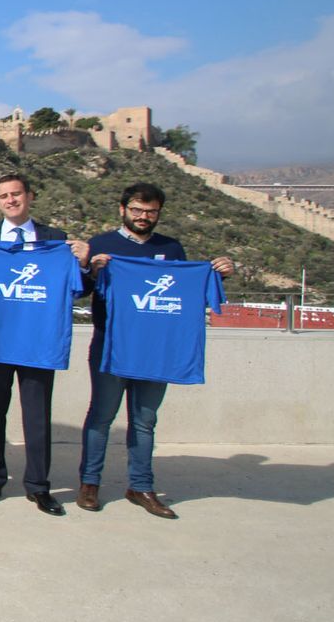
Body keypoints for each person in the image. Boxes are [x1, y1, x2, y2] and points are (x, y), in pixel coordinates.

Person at [77, 182, 234, 518]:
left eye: (151, 212)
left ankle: (141, 486)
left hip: (156, 349)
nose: (144, 217)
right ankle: (89, 484)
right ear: (123, 210)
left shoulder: (172, 248)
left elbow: (186, 291)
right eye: (137, 210)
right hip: (112, 346)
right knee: (101, 416)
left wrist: (217, 274)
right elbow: (80, 290)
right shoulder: (102, 244)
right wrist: (91, 270)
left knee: (145, 421)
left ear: (159, 212)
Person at [0, 173, 89, 515]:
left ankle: (38, 486)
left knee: (37, 417)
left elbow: (81, 288)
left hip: (39, 342)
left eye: (16, 194)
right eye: (4, 196)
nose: (10, 200)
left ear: (30, 196)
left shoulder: (57, 241)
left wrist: (82, 263)